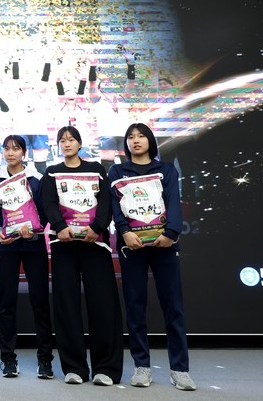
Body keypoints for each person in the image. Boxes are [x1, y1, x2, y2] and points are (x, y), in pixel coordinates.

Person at [108, 123, 197, 391]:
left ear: (150, 141)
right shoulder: (117, 172)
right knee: (135, 306)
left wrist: (171, 233)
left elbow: (173, 203)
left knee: (173, 306)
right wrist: (125, 232)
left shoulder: (166, 170)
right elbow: (115, 207)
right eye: (131, 137)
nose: (136, 140)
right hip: (132, 246)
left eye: (141, 136)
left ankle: (180, 370)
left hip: (164, 245)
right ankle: (142, 367)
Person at [41, 126, 123, 386]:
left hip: (94, 244)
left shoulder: (96, 169)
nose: (66, 144)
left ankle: (106, 368)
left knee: (102, 305)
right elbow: (48, 203)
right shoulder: (51, 172)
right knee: (66, 305)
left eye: (71, 139)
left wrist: (97, 228)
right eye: (62, 140)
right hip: (64, 244)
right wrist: (60, 227)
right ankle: (74, 367)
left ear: (79, 143)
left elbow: (106, 202)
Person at [0, 135, 54, 380]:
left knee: (40, 302)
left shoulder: (36, 178)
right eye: (6, 148)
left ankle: (45, 360)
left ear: (24, 152)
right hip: (7, 247)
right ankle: (8, 359)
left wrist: (34, 229)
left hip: (34, 246)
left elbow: (44, 213)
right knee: (7, 303)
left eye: (16, 148)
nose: (10, 153)